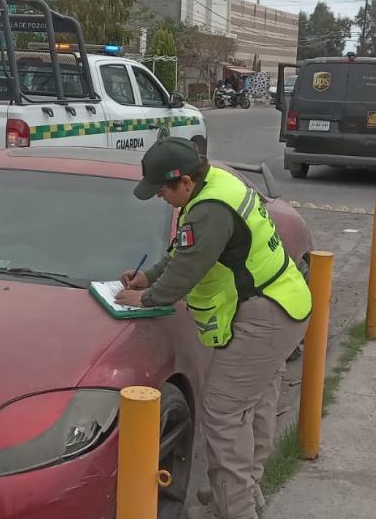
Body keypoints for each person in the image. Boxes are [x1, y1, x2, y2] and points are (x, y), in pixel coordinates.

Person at [115, 137, 312, 519]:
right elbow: (183, 251)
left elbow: (188, 269)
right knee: (254, 405)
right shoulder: (215, 185)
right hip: (285, 302)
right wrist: (147, 276)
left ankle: (235, 508)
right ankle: (240, 491)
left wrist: (148, 296)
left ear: (185, 182)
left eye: (162, 189)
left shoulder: (209, 209)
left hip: (267, 314)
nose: (159, 197)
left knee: (222, 413)